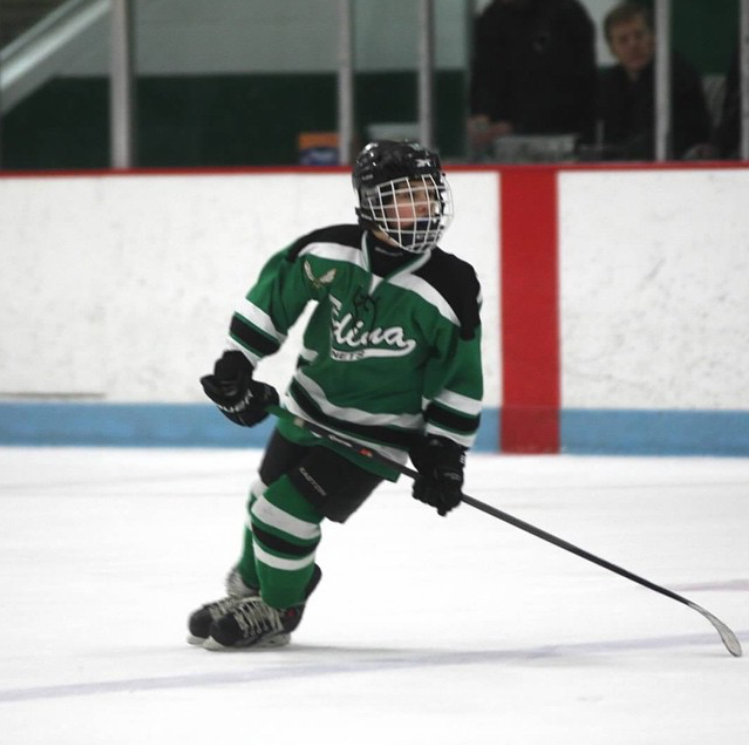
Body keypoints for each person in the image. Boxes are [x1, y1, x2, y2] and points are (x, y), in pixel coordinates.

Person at [187, 140, 484, 650]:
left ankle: (280, 608)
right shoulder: (328, 252)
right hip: (305, 410)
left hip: (376, 435)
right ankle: (256, 591)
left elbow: (459, 375)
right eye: (403, 197)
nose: (422, 208)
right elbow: (274, 299)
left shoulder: (451, 286)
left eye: (427, 194)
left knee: (283, 513)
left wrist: (446, 452)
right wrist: (238, 362)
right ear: (371, 204)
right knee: (262, 501)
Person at [467, 0, 598, 156]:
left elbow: (577, 89)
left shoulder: (567, 14)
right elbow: (483, 77)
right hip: (502, 146)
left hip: (563, 141)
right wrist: (481, 115)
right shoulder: (491, 18)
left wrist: (516, 126)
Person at [595, 1, 712, 160]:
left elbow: (688, 136)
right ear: (612, 49)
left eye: (639, 35)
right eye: (623, 40)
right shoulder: (609, 83)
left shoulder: (676, 74)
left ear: (654, 37)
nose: (633, 45)